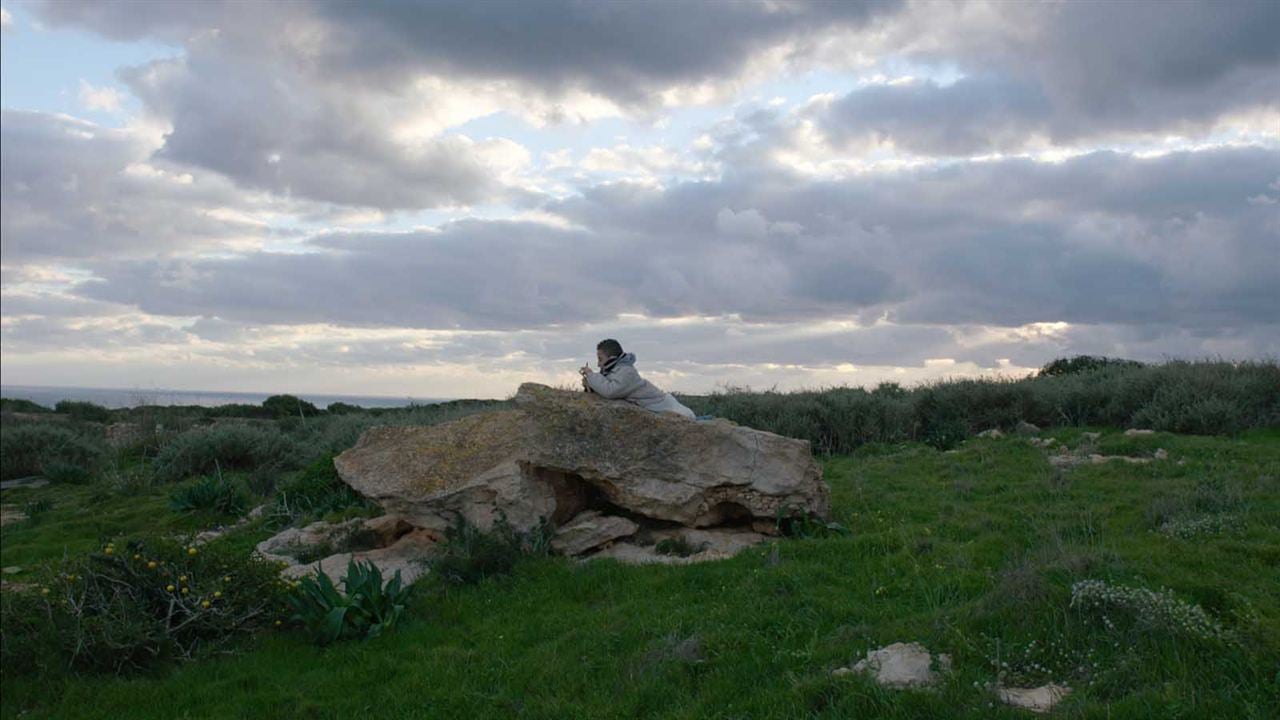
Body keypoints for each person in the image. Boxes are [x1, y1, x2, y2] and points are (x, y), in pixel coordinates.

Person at [580, 339, 695, 420]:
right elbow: (606, 385)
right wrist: (590, 384)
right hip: (655, 406)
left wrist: (591, 375)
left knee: (688, 419)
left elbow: (611, 391)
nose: (598, 364)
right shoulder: (615, 370)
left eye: (600, 359)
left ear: (612, 359)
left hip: (665, 406)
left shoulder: (627, 372)